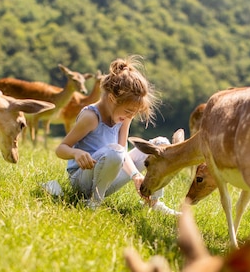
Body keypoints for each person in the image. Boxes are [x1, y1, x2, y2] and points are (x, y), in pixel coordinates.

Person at [53, 56, 179, 214]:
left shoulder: (123, 116)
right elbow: (61, 149)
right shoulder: (91, 117)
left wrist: (135, 175)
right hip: (82, 181)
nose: (130, 116)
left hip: (109, 177)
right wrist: (76, 153)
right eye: (128, 111)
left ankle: (153, 202)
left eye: (133, 113)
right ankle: (93, 203)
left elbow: (122, 152)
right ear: (112, 98)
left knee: (160, 145)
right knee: (115, 152)